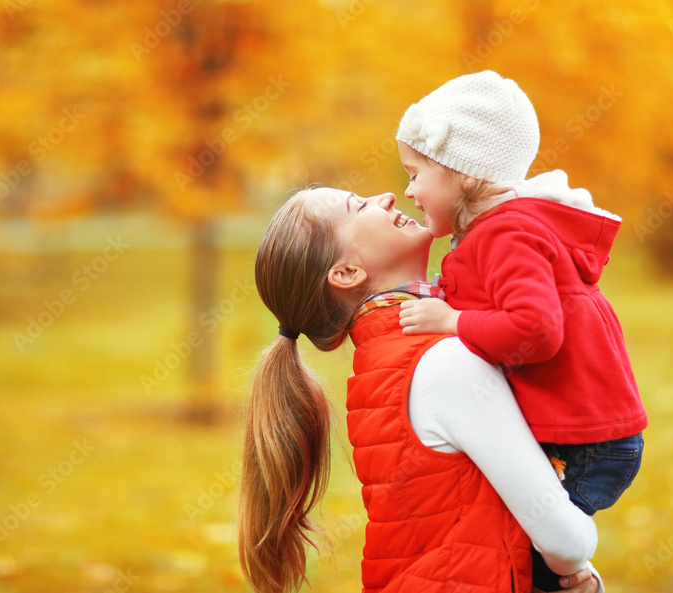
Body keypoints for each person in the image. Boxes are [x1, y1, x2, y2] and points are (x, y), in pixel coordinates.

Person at [238, 187, 605, 593]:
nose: (388, 196)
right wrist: (579, 577)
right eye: (359, 206)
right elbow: (566, 541)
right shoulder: (444, 362)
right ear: (346, 273)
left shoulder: (385, 361)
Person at [393, 70, 647, 591]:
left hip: (592, 447)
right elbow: (497, 301)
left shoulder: (508, 232)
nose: (408, 189)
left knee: (531, 560)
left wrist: (452, 321)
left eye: (415, 173)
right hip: (584, 438)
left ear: (458, 172)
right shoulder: (498, 231)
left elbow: (535, 330)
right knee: (524, 548)